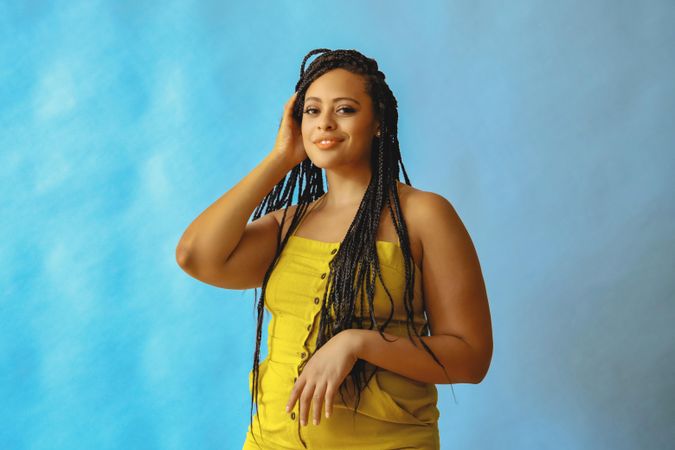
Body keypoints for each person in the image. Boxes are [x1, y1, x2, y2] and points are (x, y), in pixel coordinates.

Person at [176, 48, 493, 450]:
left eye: (344, 109)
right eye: (311, 110)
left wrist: (356, 342)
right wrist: (280, 159)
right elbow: (195, 256)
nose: (324, 122)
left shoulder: (424, 215)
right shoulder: (289, 224)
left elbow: (470, 357)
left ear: (378, 121)